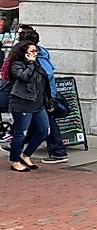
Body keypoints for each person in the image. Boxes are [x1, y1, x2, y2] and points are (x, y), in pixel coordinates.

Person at [18, 26, 68, 163]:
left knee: (47, 123)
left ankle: (58, 151)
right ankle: (17, 145)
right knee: (35, 121)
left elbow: (45, 74)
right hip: (44, 93)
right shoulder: (41, 52)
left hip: (42, 95)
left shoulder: (33, 55)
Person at [5, 42, 50, 172]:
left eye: (36, 51)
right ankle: (14, 160)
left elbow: (43, 82)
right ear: (25, 53)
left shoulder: (37, 64)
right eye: (33, 51)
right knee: (21, 133)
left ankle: (26, 155)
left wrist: (48, 100)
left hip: (37, 103)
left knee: (44, 130)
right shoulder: (16, 65)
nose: (36, 54)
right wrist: (30, 63)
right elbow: (23, 77)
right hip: (22, 103)